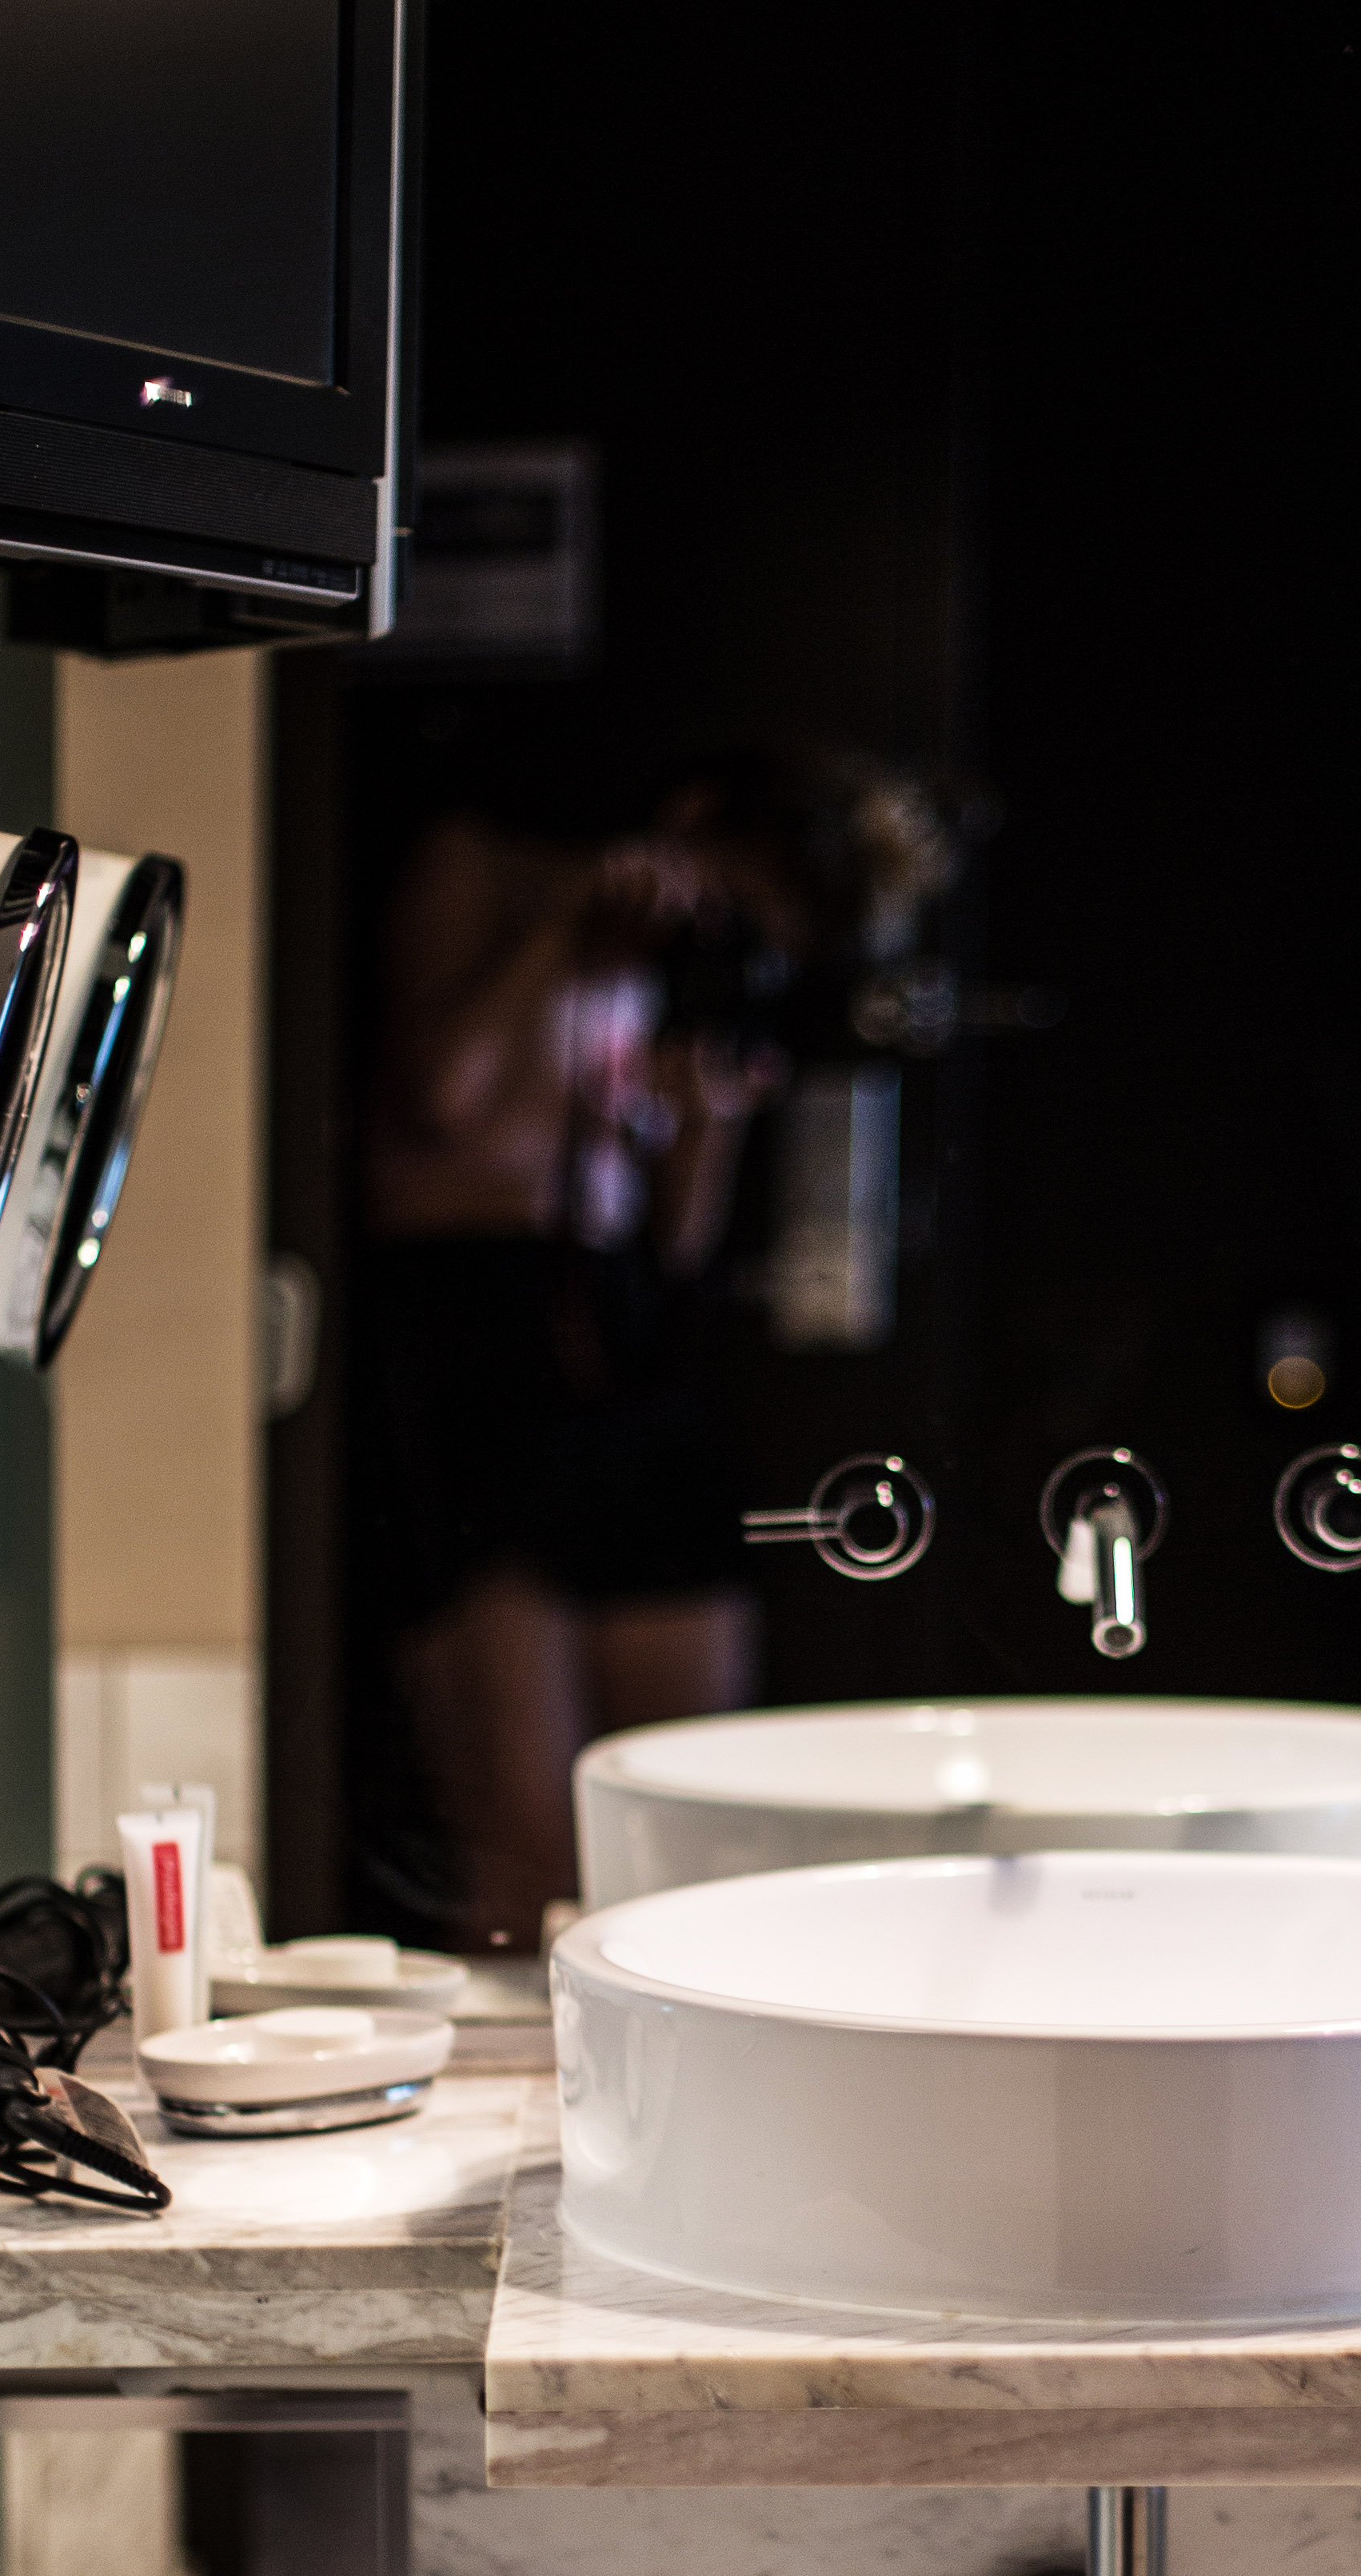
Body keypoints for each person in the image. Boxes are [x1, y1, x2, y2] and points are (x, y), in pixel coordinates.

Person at [361, 748, 956, 1947]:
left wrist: (705, 1128)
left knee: (686, 1827)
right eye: (725, 895)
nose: (712, 926)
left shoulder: (674, 969)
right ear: (692, 818)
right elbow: (441, 1102)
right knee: (528, 1852)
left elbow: (674, 1239)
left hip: (625, 1350)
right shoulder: (483, 870)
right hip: (476, 1335)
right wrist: (562, 940)